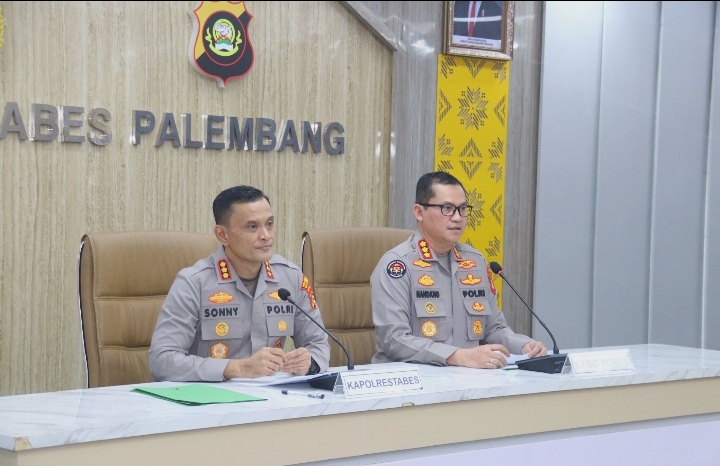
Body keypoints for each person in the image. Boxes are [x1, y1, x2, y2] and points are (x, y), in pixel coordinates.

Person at [149, 185, 330, 381]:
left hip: (272, 395)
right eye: (252, 227)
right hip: (211, 396)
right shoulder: (193, 283)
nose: (266, 235)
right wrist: (238, 368)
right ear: (222, 235)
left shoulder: (291, 278)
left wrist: (309, 363)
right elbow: (162, 361)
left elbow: (319, 344)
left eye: (269, 224)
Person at [371, 172, 547, 369]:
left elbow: (493, 328)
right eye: (447, 208)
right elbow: (394, 339)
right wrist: (458, 356)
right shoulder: (397, 265)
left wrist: (524, 346)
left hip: (464, 379)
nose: (457, 218)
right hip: (412, 380)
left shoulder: (474, 262)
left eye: (462, 209)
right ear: (419, 212)